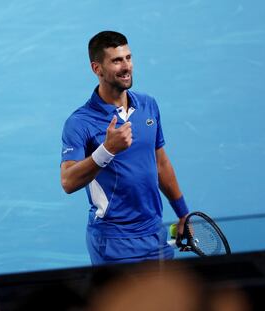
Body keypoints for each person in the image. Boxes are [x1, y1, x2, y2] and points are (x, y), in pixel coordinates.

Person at [60, 30, 190, 264]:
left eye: (128, 58)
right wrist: (106, 150)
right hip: (113, 242)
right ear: (96, 69)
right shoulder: (80, 122)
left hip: (154, 233)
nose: (126, 66)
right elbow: (68, 182)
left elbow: (160, 163)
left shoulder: (148, 105)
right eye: (117, 61)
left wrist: (183, 212)